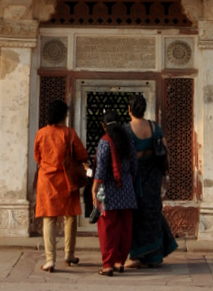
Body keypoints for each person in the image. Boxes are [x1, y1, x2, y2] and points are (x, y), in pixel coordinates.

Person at [34, 98, 88, 272]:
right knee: (70, 217)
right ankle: (69, 254)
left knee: (49, 218)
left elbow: (37, 156)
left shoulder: (41, 133)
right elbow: (81, 154)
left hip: (47, 181)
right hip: (67, 180)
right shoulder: (69, 133)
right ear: (63, 115)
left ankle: (50, 260)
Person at [125, 93, 178, 267]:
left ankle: (137, 256)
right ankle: (154, 256)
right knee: (153, 213)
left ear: (129, 110)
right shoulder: (155, 128)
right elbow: (165, 151)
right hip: (153, 177)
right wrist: (165, 176)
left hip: (134, 178)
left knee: (136, 215)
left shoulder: (126, 130)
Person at [92, 108, 138, 276]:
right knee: (125, 228)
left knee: (107, 228)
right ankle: (120, 262)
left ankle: (108, 264)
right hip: (126, 188)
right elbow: (134, 165)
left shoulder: (105, 142)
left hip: (108, 190)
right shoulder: (129, 141)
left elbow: (101, 169)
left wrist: (94, 188)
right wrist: (129, 181)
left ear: (104, 126)